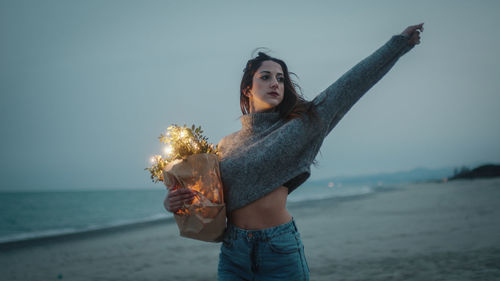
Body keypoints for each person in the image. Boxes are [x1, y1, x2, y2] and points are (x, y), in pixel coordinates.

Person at [164, 23, 424, 280]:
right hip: (234, 254)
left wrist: (398, 45)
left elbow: (351, 85)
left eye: (280, 78)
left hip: (278, 250)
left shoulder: (300, 127)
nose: (275, 83)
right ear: (247, 89)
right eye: (265, 77)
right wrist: (175, 204)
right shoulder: (225, 145)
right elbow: (208, 202)